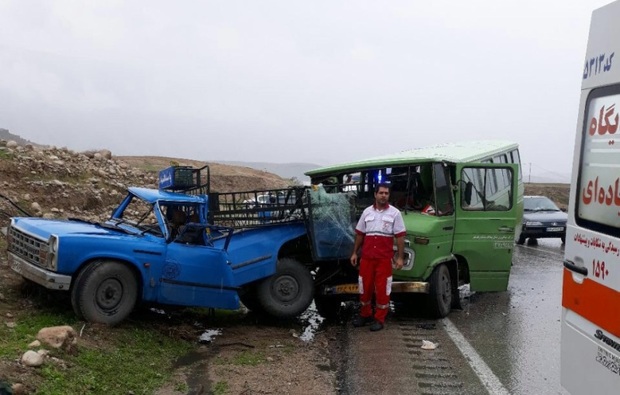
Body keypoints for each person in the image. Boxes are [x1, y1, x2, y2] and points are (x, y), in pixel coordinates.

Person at [350, 183, 406, 331]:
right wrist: (355, 252)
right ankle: (365, 314)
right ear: (375, 194)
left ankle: (379, 319)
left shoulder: (395, 214)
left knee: (382, 289)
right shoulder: (367, 212)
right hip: (367, 258)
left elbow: (400, 237)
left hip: (384, 259)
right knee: (364, 287)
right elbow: (360, 234)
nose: (383, 195)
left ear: (389, 196)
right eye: (381, 193)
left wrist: (400, 258)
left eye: (386, 193)